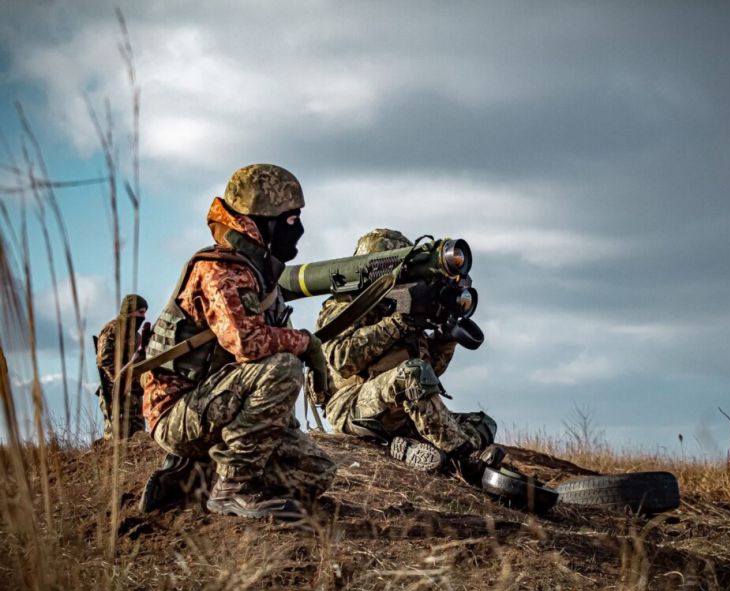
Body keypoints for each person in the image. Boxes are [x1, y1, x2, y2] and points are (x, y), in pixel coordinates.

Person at [139, 164, 335, 520]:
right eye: (291, 220)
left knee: (316, 473)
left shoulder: (257, 272)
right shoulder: (220, 270)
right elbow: (249, 344)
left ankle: (198, 474)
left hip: (218, 405)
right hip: (178, 413)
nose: (299, 230)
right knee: (284, 366)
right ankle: (233, 487)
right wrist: (306, 343)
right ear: (263, 221)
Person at [312, 228, 500, 478]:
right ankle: (463, 458)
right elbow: (341, 360)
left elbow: (430, 373)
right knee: (412, 373)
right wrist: (399, 322)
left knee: (484, 424)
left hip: (399, 413)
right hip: (352, 406)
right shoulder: (346, 304)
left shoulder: (403, 304)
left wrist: (446, 337)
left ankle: (417, 450)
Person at [95, 294, 149, 440]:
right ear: (130, 311)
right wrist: (124, 379)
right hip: (116, 394)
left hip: (134, 396)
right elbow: (105, 361)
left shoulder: (136, 336)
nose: (143, 317)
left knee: (137, 440)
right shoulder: (112, 330)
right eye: (140, 312)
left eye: (144, 313)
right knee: (117, 441)